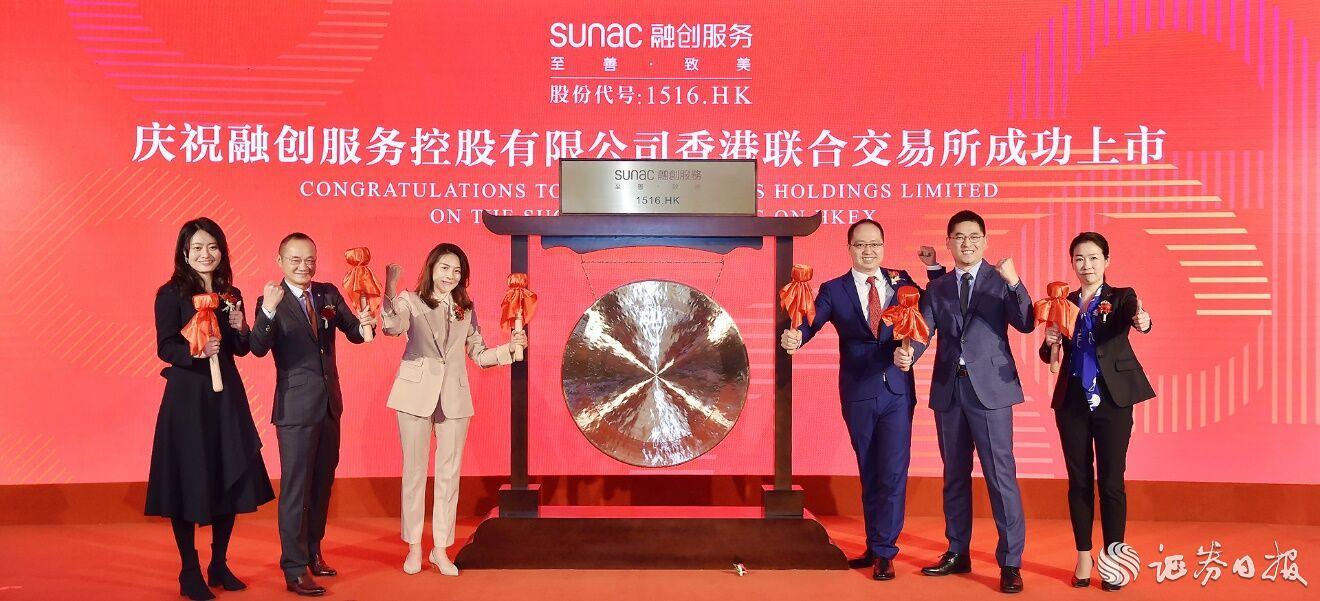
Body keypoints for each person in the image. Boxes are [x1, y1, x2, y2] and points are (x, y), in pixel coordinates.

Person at [780, 219, 922, 581]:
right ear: (849, 249)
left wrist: (913, 353)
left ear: (884, 247)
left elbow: (926, 317)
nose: (868, 251)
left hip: (897, 391)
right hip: (858, 392)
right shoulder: (834, 289)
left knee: (892, 471)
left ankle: (885, 552)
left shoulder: (902, 281)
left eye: (875, 244)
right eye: (860, 245)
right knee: (870, 470)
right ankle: (875, 545)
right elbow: (811, 322)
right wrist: (797, 337)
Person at [147, 217, 275, 601]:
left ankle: (219, 563)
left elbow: (241, 348)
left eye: (213, 247)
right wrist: (195, 351)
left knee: (228, 471)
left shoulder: (230, 293)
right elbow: (165, 346)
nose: (206, 254)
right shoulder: (170, 294)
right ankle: (189, 570)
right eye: (198, 248)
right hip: (188, 399)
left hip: (225, 398)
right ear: (185, 253)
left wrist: (240, 327)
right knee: (188, 478)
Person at [380, 243, 527, 576]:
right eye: (445, 268)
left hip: (455, 397)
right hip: (414, 395)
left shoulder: (465, 308)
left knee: (449, 475)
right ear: (432, 268)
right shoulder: (409, 300)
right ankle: (414, 547)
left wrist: (510, 349)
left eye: (457, 270)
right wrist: (389, 289)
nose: (450, 275)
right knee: (414, 474)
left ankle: (440, 549)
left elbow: (479, 354)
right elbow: (392, 326)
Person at [911, 210, 1033, 594]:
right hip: (950, 391)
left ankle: (1010, 562)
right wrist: (907, 354)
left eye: (974, 236)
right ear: (948, 242)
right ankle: (957, 551)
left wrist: (1015, 282)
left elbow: (1026, 321)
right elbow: (922, 330)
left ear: (985, 240)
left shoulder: (1000, 280)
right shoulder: (939, 287)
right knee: (954, 476)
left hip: (992, 392)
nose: (967, 243)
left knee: (1000, 476)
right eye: (959, 237)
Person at [250, 232, 375, 596]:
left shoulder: (327, 294)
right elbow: (257, 347)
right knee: (296, 489)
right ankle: (293, 568)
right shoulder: (271, 300)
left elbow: (355, 333)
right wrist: (268, 310)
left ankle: (313, 552)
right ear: (280, 261)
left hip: (329, 406)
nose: (304, 267)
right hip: (294, 410)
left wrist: (366, 322)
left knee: (321, 483)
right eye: (295, 260)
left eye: (310, 260)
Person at [1040, 232, 1154, 591]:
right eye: (1079, 259)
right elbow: (1048, 354)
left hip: (1112, 401)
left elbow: (1137, 317)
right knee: (1079, 481)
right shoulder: (1063, 302)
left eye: (1093, 258)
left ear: (1106, 261)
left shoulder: (1121, 297)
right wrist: (1049, 341)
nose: (1086, 265)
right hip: (1072, 402)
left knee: (1111, 481)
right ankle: (1084, 556)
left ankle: (1113, 559)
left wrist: (1143, 320)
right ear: (1072, 263)